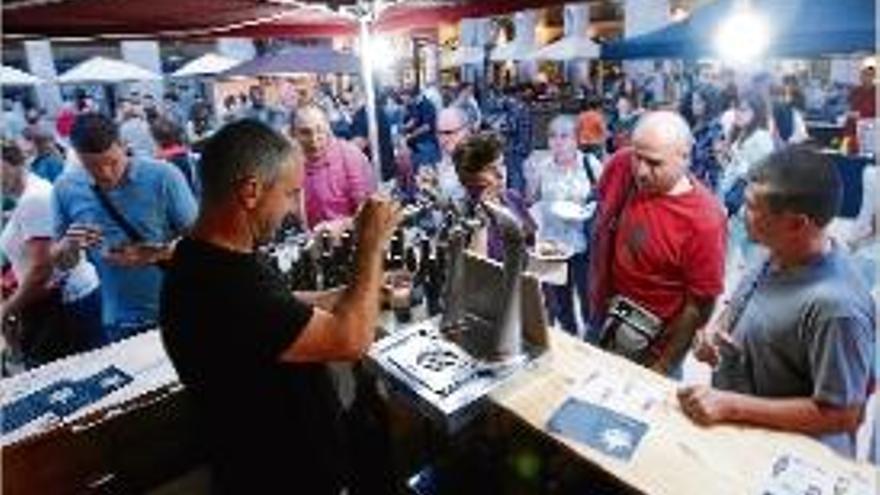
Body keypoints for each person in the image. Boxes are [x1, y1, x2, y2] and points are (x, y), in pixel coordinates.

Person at [160, 119, 401, 494]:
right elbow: (351, 340)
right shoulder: (224, 286)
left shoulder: (208, 255)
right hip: (282, 475)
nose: (293, 208)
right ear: (251, 191)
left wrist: (350, 292)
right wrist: (370, 247)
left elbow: (281, 307)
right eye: (290, 194)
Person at [681, 146, 875, 459]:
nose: (743, 214)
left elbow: (843, 414)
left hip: (789, 461)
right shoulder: (775, 249)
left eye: (752, 207)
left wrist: (732, 405)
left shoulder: (838, 308)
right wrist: (714, 332)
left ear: (797, 224)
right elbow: (742, 303)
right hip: (745, 440)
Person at [588, 111, 726, 377]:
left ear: (684, 157)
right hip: (603, 319)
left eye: (654, 163)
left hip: (653, 346)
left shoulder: (704, 220)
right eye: (637, 156)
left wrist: (663, 365)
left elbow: (700, 304)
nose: (640, 170)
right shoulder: (620, 165)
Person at [53, 113, 197, 341]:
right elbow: (62, 263)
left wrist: (154, 254)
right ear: (78, 158)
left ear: (123, 146)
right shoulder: (66, 187)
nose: (105, 174)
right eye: (92, 167)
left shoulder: (163, 176)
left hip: (182, 311)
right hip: (119, 322)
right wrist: (69, 245)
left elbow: (203, 242)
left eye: (112, 162)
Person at [1, 140, 103, 369]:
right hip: (63, 301)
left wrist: (8, 308)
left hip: (65, 306)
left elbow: (42, 269)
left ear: (13, 162)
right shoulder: (30, 195)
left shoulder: (33, 199)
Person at [524, 115, 602, 337]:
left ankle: (592, 342)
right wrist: (530, 181)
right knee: (560, 304)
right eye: (552, 136)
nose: (558, 142)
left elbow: (606, 197)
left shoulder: (591, 164)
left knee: (589, 300)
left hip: (584, 246)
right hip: (553, 247)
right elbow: (531, 199)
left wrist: (592, 210)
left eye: (564, 136)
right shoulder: (542, 167)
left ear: (576, 139)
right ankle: (570, 338)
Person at [452, 131, 536, 261]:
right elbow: (474, 271)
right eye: (491, 169)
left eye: (502, 164)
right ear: (470, 177)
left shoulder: (512, 197)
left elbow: (531, 242)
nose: (501, 174)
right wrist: (482, 222)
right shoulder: (461, 213)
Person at [290, 105, 375, 230]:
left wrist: (338, 227)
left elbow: (369, 214)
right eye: (305, 132)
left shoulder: (349, 156)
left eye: (320, 130)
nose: (314, 139)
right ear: (293, 134)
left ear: (328, 129)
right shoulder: (291, 164)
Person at [680, 86, 725, 194]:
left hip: (706, 185)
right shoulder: (696, 124)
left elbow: (717, 162)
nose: (693, 106)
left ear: (708, 104)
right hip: (693, 180)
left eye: (698, 102)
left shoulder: (715, 128)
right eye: (693, 102)